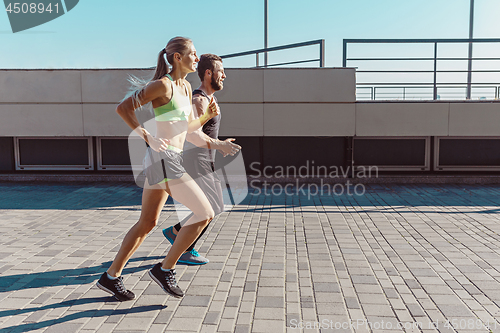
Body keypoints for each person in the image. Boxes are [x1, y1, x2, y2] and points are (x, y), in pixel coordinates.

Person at [96, 37, 218, 301]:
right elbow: (123, 108)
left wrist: (206, 117)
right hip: (163, 160)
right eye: (193, 54)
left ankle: (110, 276)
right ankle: (166, 269)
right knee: (204, 212)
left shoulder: (185, 87)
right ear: (177, 57)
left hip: (169, 159)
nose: (197, 59)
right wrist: (145, 134)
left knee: (147, 222)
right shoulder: (162, 86)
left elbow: (183, 129)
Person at [161, 54, 241, 265]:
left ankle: (176, 232)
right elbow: (192, 135)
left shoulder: (209, 98)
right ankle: (184, 246)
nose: (224, 75)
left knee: (211, 206)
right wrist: (220, 145)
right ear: (208, 73)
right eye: (220, 71)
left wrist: (219, 145)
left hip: (204, 160)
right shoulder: (199, 100)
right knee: (211, 207)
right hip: (195, 160)